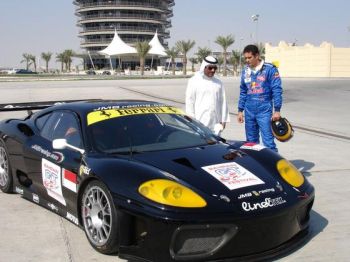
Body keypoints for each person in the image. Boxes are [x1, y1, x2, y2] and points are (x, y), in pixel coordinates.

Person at [237, 44, 283, 151]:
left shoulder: (270, 69)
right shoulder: (245, 71)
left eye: (250, 57)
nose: (247, 60)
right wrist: (240, 110)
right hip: (249, 111)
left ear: (257, 55)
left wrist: (277, 110)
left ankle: (272, 166)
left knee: (268, 142)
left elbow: (277, 90)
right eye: (245, 58)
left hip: (264, 110)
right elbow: (243, 91)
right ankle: (255, 166)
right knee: (251, 143)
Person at [186, 56, 230, 135]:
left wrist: (223, 120)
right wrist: (192, 121)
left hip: (215, 124)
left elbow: (223, 102)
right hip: (199, 122)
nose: (212, 70)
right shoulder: (194, 81)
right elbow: (190, 101)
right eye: (210, 68)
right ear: (204, 67)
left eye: (214, 68)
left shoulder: (218, 82)